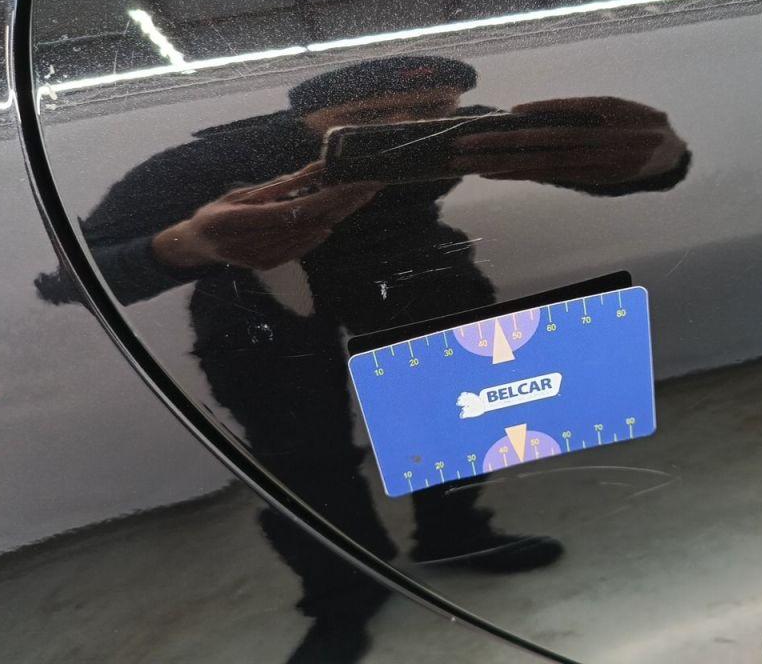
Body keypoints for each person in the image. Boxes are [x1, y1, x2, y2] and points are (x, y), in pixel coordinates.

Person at [37, 56, 690, 662]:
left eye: (431, 110)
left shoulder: (468, 133)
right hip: (255, 290)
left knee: (458, 419)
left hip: (411, 267)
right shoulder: (208, 161)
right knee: (300, 456)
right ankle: (344, 590)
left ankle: (453, 532)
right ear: (306, 118)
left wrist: (655, 160)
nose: (405, 127)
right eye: (369, 118)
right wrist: (189, 243)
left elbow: (607, 170)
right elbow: (71, 277)